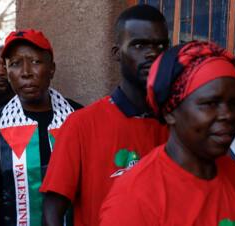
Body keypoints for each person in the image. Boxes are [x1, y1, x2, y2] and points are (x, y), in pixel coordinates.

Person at [40, 5, 170, 226]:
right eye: (139, 45)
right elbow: (52, 210)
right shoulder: (82, 124)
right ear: (116, 53)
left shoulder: (178, 123)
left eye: (160, 46)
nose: (152, 54)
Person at [100, 40, 235, 225]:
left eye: (234, 104)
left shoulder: (232, 173)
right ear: (170, 112)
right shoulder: (136, 197)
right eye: (210, 103)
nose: (227, 115)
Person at [0, 29, 83, 226]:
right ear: (8, 73)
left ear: (51, 68)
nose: (25, 72)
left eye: (35, 62)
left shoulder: (78, 119)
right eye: (15, 64)